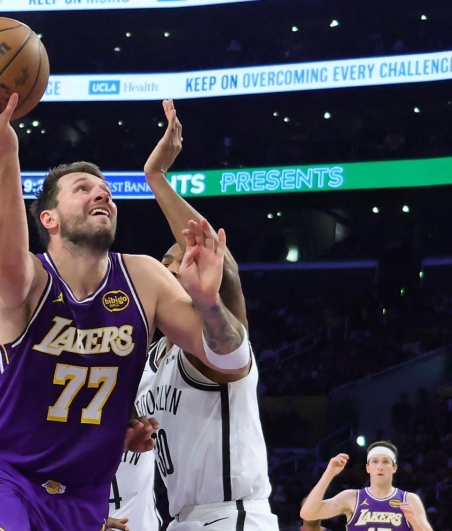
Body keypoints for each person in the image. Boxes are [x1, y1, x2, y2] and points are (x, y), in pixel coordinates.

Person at [0, 82, 249, 531]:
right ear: (48, 219)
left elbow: (232, 362)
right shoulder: (32, 278)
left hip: (85, 497)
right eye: (83, 188)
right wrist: (3, 152)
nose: (102, 194)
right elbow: (6, 256)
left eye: (106, 190)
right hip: (6, 478)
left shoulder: (144, 277)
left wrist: (208, 303)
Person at [107, 100, 277, 531]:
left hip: (231, 514)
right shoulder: (149, 360)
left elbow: (229, 273)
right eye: (164, 260)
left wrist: (157, 179)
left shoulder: (211, 343)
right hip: (181, 518)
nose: (169, 267)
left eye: (180, 259)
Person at [300, 443, 434, 531]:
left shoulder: (409, 499)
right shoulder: (351, 497)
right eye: (375, 461)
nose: (380, 466)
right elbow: (308, 513)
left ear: (394, 468)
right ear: (368, 468)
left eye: (385, 461)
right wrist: (329, 474)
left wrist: (413, 522)